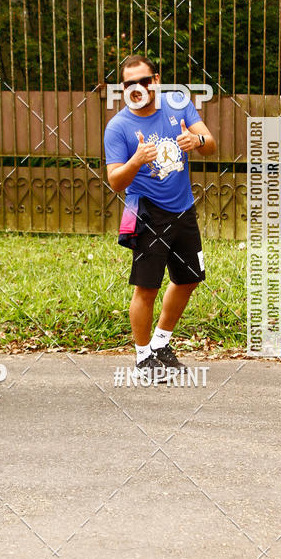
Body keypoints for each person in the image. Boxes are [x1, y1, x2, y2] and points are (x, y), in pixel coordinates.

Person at [104, 55, 216, 379]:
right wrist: (136, 160)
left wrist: (197, 141)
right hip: (145, 211)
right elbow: (115, 181)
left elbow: (211, 145)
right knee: (146, 287)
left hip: (183, 207)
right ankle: (142, 359)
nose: (136, 88)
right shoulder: (119, 127)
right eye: (129, 84)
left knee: (189, 278)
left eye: (143, 80)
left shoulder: (178, 104)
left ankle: (161, 343)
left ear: (156, 79)